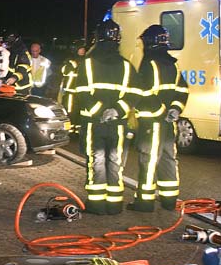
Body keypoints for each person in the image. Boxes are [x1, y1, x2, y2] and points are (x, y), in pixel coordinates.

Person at [74, 21, 138, 215]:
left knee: (96, 160)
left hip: (94, 123)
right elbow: (134, 93)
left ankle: (96, 204)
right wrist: (117, 111)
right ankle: (114, 204)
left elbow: (82, 92)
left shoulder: (87, 63)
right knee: (115, 161)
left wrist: (100, 111)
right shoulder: (127, 66)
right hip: (118, 124)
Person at [130, 24, 189, 212]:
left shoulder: (149, 63)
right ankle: (169, 199)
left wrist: (161, 111)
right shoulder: (173, 63)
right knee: (168, 159)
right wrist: (174, 110)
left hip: (152, 122)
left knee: (148, 160)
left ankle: (145, 202)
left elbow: (143, 92)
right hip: (168, 124)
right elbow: (183, 90)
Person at [60, 45, 86, 131]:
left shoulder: (86, 60)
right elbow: (64, 71)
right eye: (80, 49)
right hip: (70, 91)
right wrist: (73, 65)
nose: (82, 51)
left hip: (81, 91)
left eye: (83, 49)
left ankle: (78, 129)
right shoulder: (69, 60)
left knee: (79, 110)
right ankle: (69, 129)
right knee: (69, 111)